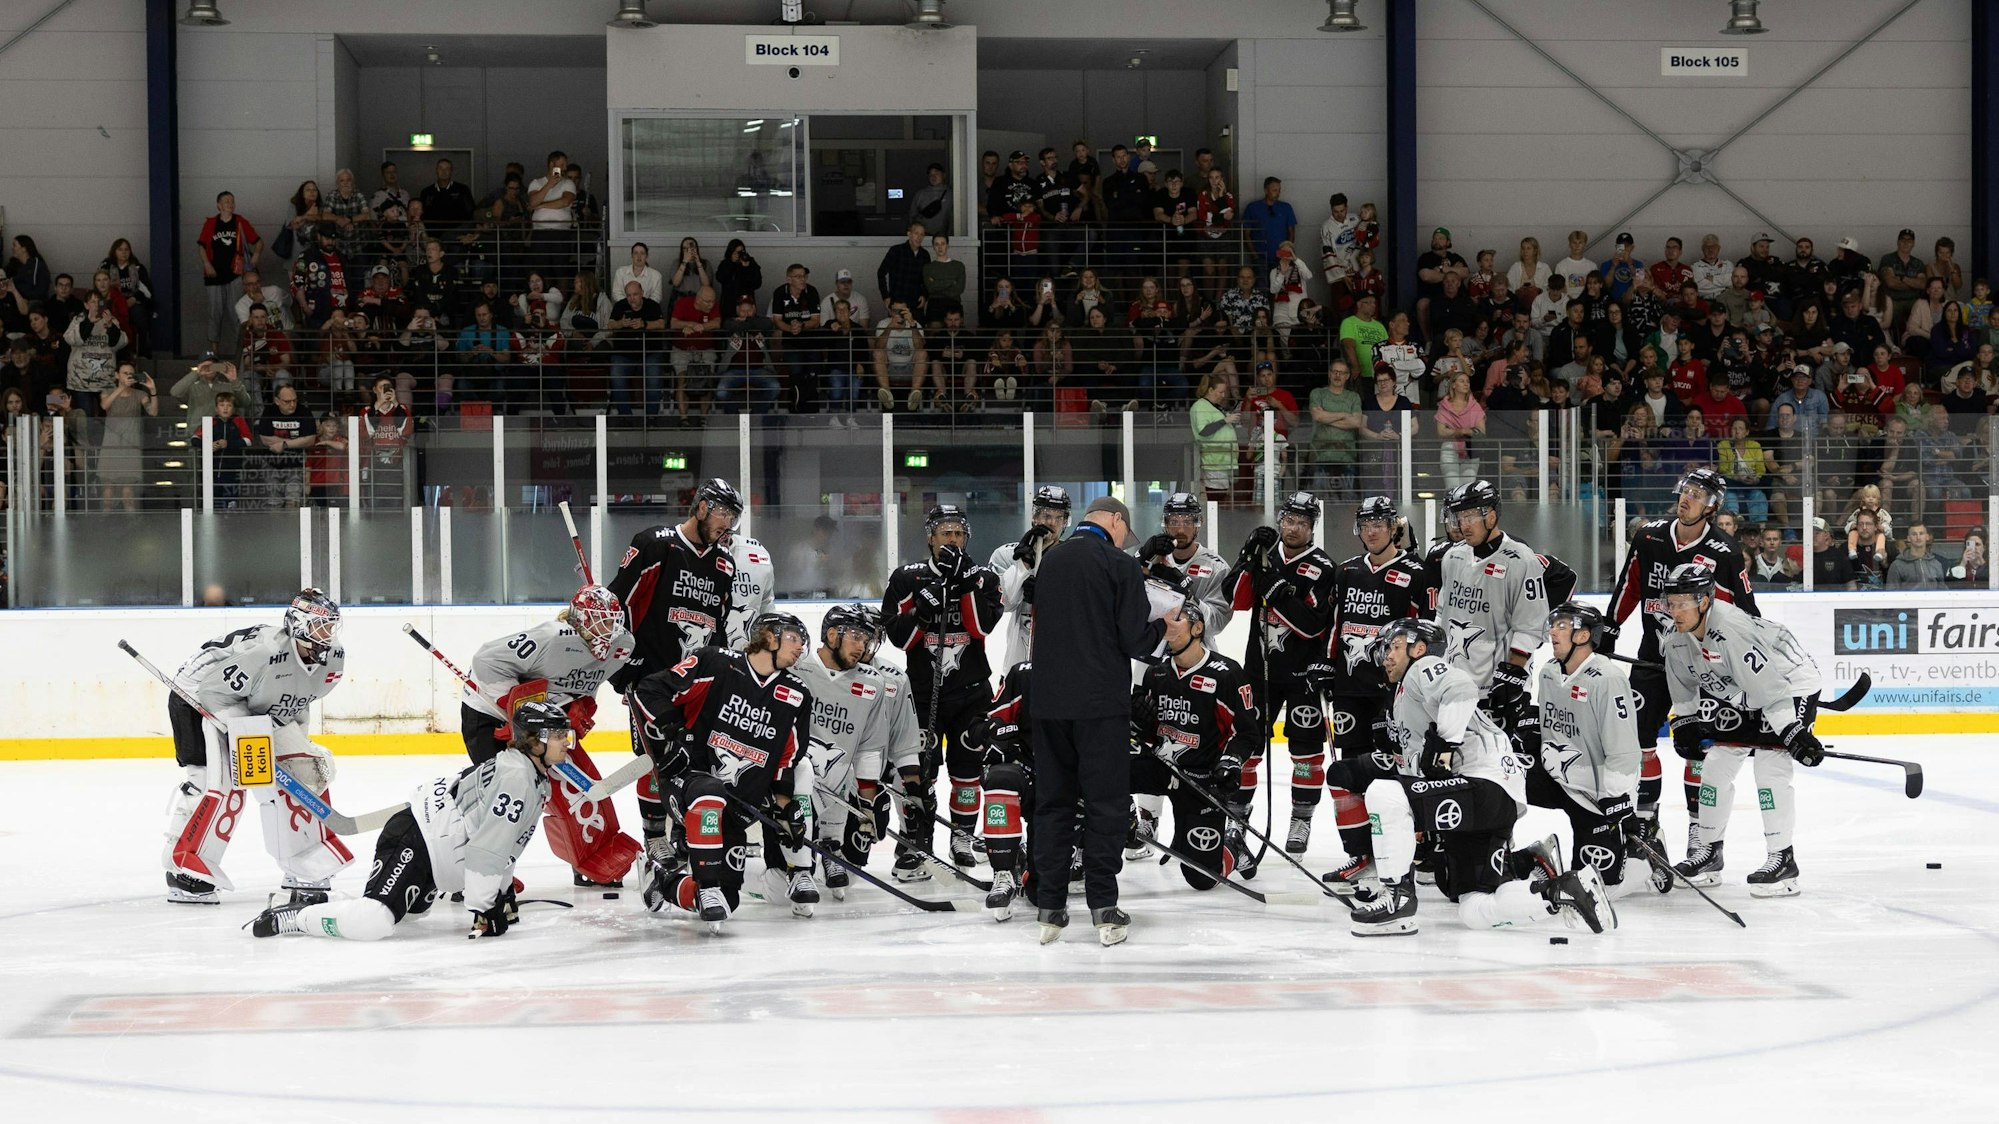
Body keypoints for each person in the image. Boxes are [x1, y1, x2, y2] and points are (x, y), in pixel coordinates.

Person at [1320, 618, 1615, 936]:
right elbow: (1415, 773)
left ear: (1418, 648)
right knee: (1473, 907)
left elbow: (1460, 688)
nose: (1386, 657)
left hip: (1483, 785)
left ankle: (1396, 898)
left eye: (1394, 647)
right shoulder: (1404, 697)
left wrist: (1445, 746)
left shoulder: (1423, 668)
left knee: (1383, 791)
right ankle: (1561, 890)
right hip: (1489, 799)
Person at [251, 700, 571, 941]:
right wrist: (485, 907)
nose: (567, 742)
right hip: (417, 836)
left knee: (413, 913)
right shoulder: (517, 777)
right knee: (373, 922)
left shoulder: (532, 776)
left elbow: (507, 847)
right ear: (534, 741)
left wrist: (503, 896)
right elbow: (491, 848)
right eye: (558, 735)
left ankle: (331, 901)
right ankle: (296, 916)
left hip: (438, 852)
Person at [1027, 496, 1170, 946]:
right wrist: (1165, 624)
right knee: (1105, 804)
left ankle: (1049, 907)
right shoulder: (1118, 564)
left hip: (1048, 703)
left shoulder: (1049, 563)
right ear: (1114, 520)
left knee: (1053, 803)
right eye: (1125, 530)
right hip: (1100, 706)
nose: (1126, 538)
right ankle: (1104, 906)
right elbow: (1136, 640)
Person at [1603, 467, 1758, 858]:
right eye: (1685, 490)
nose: (1687, 498)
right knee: (1638, 741)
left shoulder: (1723, 552)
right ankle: (1645, 821)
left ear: (1712, 506)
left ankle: (1698, 831)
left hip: (1702, 667)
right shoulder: (1649, 536)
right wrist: (1610, 626)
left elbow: (1746, 612)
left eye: (1697, 494)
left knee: (1697, 749)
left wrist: (1750, 668)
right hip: (1653, 659)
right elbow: (1630, 585)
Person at [161, 590, 348, 905]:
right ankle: (184, 868)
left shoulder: (334, 657)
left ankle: (303, 862)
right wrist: (248, 741)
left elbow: (298, 702)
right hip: (197, 698)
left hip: (248, 701)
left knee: (304, 770)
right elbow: (215, 693)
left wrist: (295, 749)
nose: (327, 634)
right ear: (299, 625)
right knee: (220, 784)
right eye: (320, 627)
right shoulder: (264, 652)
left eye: (331, 627)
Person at [633, 612, 815, 931]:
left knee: (726, 901)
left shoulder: (796, 695)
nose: (801, 647)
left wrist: (787, 810)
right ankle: (706, 885)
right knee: (709, 792)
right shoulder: (716, 663)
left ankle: (660, 880)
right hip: (687, 782)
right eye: (794, 638)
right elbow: (650, 689)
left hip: (736, 807)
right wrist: (671, 735)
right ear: (769, 637)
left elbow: (788, 758)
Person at [455, 586, 638, 886]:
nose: (609, 629)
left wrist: (579, 707)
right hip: (489, 714)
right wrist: (514, 710)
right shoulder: (552, 638)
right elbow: (486, 662)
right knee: (505, 794)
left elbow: (584, 683)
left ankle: (589, 856)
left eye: (612, 621)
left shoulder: (621, 645)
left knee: (573, 787)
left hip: (540, 721)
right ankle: (473, 872)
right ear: (579, 621)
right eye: (599, 620)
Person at [1660, 564, 1824, 897]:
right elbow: (1683, 685)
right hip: (1740, 688)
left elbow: (1771, 689)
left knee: (1770, 766)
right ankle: (1708, 853)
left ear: (1704, 601)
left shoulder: (1731, 629)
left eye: (1683, 603)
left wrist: (1791, 733)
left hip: (1788, 682)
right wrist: (1686, 721)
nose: (1675, 611)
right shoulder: (1677, 638)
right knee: (1716, 766)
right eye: (1671, 602)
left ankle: (1783, 859)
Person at [605, 478, 742, 864]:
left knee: (696, 756)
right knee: (655, 757)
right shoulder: (655, 543)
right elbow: (620, 602)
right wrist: (620, 662)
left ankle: (683, 827)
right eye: (722, 513)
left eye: (733, 518)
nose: (727, 524)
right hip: (650, 678)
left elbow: (717, 623)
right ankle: (653, 835)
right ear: (700, 507)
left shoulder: (723, 564)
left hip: (694, 680)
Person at [1302, 496, 1424, 882]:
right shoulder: (1348, 571)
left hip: (1394, 692)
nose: (1371, 531)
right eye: (1365, 524)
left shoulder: (1414, 572)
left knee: (1395, 771)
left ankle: (1406, 850)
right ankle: (1360, 853)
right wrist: (1326, 659)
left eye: (1379, 524)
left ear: (1393, 528)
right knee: (1348, 773)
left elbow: (1425, 632)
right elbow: (1338, 624)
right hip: (1350, 688)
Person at [881, 505, 1004, 873]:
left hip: (971, 693)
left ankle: (962, 837)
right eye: (945, 532)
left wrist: (963, 584)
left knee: (968, 770)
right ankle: (916, 840)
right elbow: (900, 639)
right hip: (920, 695)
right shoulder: (907, 578)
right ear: (930, 537)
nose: (952, 539)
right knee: (919, 771)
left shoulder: (983, 577)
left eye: (958, 533)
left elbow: (981, 628)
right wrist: (922, 609)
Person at [1226, 492, 1338, 874]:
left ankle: (1302, 817)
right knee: (1248, 746)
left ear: (1312, 528)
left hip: (1304, 675)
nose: (1292, 528)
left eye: (1302, 523)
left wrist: (1274, 590)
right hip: (1259, 671)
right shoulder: (1266, 555)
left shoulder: (1324, 567)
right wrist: (1247, 558)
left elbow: (1312, 626)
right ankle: (1236, 819)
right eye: (1288, 520)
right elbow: (1234, 599)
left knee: (1306, 752)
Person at [1521, 602, 1663, 900]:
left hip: (1598, 793)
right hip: (1557, 777)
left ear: (1583, 636)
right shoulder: (1548, 672)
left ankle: (1645, 857)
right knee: (1501, 786)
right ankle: (1531, 856)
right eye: (1553, 625)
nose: (1552, 632)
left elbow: (1624, 749)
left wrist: (1617, 797)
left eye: (1561, 626)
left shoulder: (1607, 679)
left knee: (1597, 889)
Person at [791, 605, 916, 904]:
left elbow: (870, 749)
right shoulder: (798, 670)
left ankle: (830, 846)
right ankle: (798, 860)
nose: (862, 646)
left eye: (866, 638)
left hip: (837, 783)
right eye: (856, 637)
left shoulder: (872, 683)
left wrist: (867, 804)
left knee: (842, 771)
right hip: (794, 776)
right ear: (832, 635)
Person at [1129, 601, 1259, 888]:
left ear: (1197, 628)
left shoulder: (1227, 674)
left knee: (1202, 878)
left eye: (1176, 618)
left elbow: (1248, 733)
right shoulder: (1155, 673)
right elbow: (1148, 734)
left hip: (1200, 778)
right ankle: (1118, 827)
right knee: (1103, 775)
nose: (1166, 623)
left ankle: (1232, 846)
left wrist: (1230, 762)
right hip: (1161, 767)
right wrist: (1138, 722)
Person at [1437, 480, 1550, 736]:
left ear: (1491, 516)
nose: (1463, 525)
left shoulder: (1521, 559)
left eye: (1470, 516)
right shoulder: (1452, 557)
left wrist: (1512, 673)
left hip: (1497, 687)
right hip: (1453, 684)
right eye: (1459, 517)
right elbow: (1442, 614)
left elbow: (1531, 626)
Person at [987, 486, 1072, 673]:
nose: (1052, 523)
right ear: (1034, 516)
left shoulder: (1073, 559)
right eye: (1046, 515)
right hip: (1018, 664)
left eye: (1059, 517)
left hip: (1062, 665)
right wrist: (1023, 564)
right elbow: (1005, 603)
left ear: (1066, 521)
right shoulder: (1008, 555)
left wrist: (1050, 597)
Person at [1134, 492, 1234, 637]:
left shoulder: (1217, 568)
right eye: (1174, 522)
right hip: (1153, 649)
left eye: (1187, 522)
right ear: (1166, 524)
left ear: (1198, 525)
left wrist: (1185, 595)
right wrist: (1141, 558)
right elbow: (1125, 597)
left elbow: (1216, 623)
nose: (1180, 530)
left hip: (1196, 654)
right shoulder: (1152, 558)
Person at [1886, 522, 1947, 589]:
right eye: (1914, 534)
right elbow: (1891, 593)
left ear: (1927, 537)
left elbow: (1942, 591)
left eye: (1921, 533)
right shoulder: (1897, 565)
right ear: (1909, 538)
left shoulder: (1936, 564)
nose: (1918, 537)